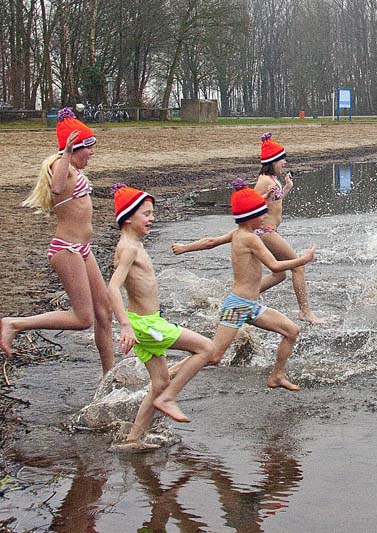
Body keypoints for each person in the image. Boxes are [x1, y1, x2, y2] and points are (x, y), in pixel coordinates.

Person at [1, 108, 115, 374]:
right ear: (76, 147)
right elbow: (55, 187)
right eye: (89, 147)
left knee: (104, 312)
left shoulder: (74, 169)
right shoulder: (59, 166)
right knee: (83, 318)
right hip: (66, 250)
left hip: (83, 249)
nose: (92, 153)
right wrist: (66, 151)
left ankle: (109, 376)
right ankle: (15, 324)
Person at [107, 184, 216, 451]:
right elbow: (111, 287)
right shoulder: (129, 248)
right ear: (129, 217)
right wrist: (124, 326)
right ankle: (169, 399)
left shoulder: (133, 244)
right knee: (207, 348)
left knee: (159, 382)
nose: (152, 218)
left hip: (144, 321)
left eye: (152, 213)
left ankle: (133, 439)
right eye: (146, 214)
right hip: (146, 325)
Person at [172, 133, 323, 324]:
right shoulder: (264, 182)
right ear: (273, 161)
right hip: (265, 233)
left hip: (266, 232)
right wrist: (264, 197)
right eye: (281, 159)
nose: (284, 162)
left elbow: (271, 202)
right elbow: (248, 204)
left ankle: (239, 299)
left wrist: (285, 189)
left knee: (279, 275)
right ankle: (305, 312)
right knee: (298, 266)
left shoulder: (271, 179)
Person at [205, 179, 316, 391]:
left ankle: (277, 376)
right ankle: (169, 376)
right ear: (251, 217)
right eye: (261, 213)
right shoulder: (251, 239)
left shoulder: (240, 232)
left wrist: (184, 248)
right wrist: (303, 259)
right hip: (238, 305)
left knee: (292, 331)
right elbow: (274, 265)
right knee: (213, 357)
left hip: (251, 306)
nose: (266, 216)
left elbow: (211, 241)